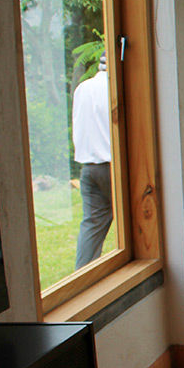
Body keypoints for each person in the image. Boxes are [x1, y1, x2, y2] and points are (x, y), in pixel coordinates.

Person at [73, 53, 112, 269]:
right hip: (113, 167)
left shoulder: (83, 89)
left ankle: (82, 276)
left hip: (88, 169)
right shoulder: (114, 89)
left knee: (91, 227)